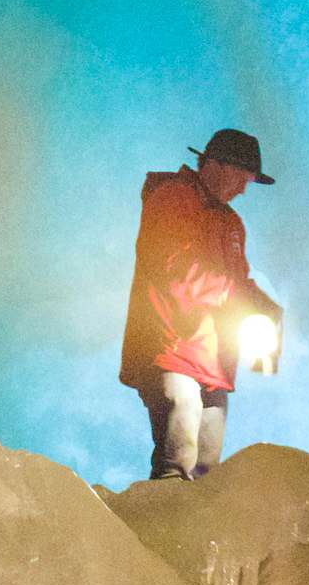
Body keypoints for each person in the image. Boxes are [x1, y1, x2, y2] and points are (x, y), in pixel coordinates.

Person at [118, 127, 283, 480]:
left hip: (214, 366)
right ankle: (157, 531)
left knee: (208, 478)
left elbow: (236, 282)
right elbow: (174, 269)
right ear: (218, 165)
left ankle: (191, 533)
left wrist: (264, 307)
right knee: (176, 465)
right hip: (170, 351)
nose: (243, 189)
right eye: (242, 177)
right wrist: (238, 298)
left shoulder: (232, 223)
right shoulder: (172, 198)